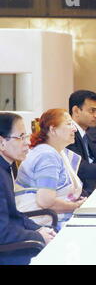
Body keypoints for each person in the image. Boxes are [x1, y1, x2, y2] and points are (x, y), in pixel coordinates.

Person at [15, 109, 87, 227]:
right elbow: (45, 202)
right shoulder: (47, 156)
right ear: (52, 129)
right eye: (69, 124)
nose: (74, 129)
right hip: (42, 222)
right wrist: (76, 207)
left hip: (50, 217)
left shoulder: (53, 152)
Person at [0, 112, 56, 265]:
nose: (28, 142)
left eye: (27, 136)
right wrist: (38, 237)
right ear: (2, 142)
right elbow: (2, 231)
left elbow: (14, 214)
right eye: (21, 137)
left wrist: (38, 229)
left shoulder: (6, 167)